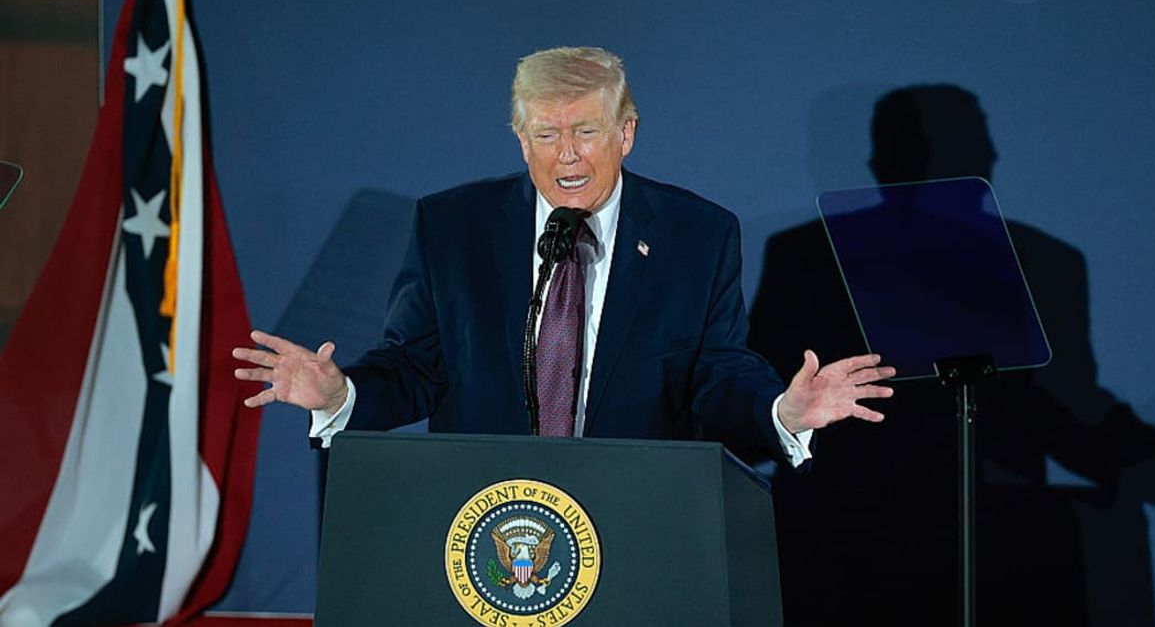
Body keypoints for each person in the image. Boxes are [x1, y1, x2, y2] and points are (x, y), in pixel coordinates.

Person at [232, 46, 894, 464]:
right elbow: (416, 364)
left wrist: (783, 411)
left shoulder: (698, 234)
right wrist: (341, 392)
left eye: (586, 131)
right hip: (482, 520)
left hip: (633, 516)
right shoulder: (452, 226)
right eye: (546, 134)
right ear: (521, 141)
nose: (567, 155)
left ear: (626, 134)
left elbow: (715, 374)